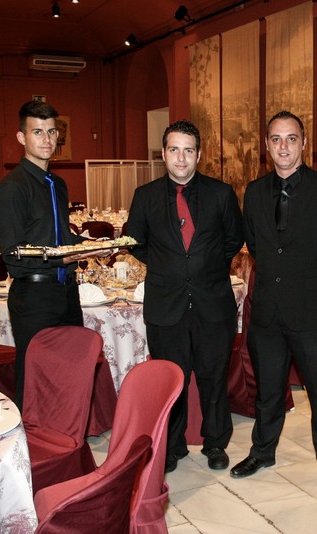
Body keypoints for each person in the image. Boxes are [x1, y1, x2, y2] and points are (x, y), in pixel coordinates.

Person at [230, 111, 317, 497]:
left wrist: (311, 275)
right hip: (268, 309)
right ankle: (262, 451)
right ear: (267, 145)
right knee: (268, 389)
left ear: (304, 143)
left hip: (312, 309)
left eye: (291, 138)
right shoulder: (255, 192)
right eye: (276, 139)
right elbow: (256, 245)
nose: (283, 146)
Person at [125, 120, 243, 473]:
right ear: (163, 154)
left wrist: (203, 267)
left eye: (188, 150)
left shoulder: (221, 194)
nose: (181, 158)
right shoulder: (145, 196)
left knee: (214, 378)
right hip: (166, 305)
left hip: (213, 303)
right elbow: (136, 243)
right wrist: (171, 266)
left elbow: (233, 240)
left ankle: (215, 443)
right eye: (174, 150)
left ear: (199, 154)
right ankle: (172, 445)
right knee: (170, 381)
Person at [0, 100, 102, 409]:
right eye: (37, 132)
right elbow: (12, 255)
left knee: (72, 371)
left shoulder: (57, 184)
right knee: (36, 377)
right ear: (21, 137)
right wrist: (61, 259)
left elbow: (61, 239)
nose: (47, 139)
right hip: (33, 297)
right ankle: (31, 435)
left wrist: (91, 245)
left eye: (51, 132)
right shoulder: (12, 188)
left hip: (66, 292)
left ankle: (68, 433)